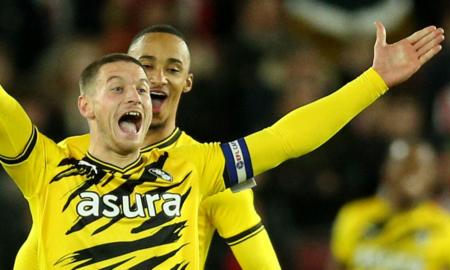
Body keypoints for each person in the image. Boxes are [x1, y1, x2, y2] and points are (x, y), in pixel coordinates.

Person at [1, 21, 444, 269]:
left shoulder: (202, 165)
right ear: (86, 102)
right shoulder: (53, 162)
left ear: (188, 83)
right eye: (133, 75)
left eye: (167, 70)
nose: (150, 83)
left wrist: (374, 81)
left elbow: (286, 138)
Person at [15, 25, 281, 270]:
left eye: (173, 69)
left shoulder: (208, 168)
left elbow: (261, 261)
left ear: (188, 82)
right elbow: (38, 246)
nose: (158, 78)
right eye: (146, 67)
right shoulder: (70, 155)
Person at [329, 139, 450, 270]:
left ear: (433, 176)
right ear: (386, 170)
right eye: (404, 165)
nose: (411, 173)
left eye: (420, 166)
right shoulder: (354, 215)